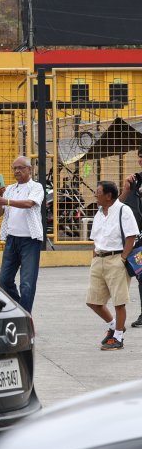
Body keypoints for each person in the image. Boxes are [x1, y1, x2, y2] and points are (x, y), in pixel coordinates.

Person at [87, 181, 138, 351]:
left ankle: (118, 337)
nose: (95, 194)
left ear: (108, 196)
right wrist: (94, 258)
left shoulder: (124, 211)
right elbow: (95, 238)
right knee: (93, 301)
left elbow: (131, 236)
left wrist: (122, 259)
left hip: (116, 259)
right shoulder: (99, 213)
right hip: (99, 258)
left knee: (119, 302)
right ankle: (115, 325)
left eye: (98, 192)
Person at [0, 156, 45, 312]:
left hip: (30, 241)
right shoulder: (9, 189)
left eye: (21, 168)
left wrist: (6, 201)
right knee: (4, 281)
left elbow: (29, 203)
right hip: (12, 240)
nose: (17, 171)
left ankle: (26, 318)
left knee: (27, 284)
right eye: (14, 168)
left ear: (29, 169)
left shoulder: (36, 187)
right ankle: (21, 310)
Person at [120, 148, 142, 327]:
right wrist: (127, 189)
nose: (141, 161)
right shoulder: (136, 180)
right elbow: (118, 206)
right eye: (140, 158)